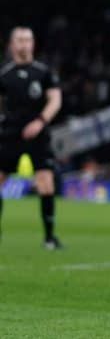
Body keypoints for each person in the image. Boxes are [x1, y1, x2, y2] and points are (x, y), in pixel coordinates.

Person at [0, 27, 63, 249]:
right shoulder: (4, 73)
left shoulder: (44, 72)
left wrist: (40, 121)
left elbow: (55, 99)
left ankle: (49, 238)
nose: (24, 44)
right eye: (20, 40)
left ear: (33, 44)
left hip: (37, 134)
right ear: (11, 44)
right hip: (8, 134)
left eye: (28, 40)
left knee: (46, 181)